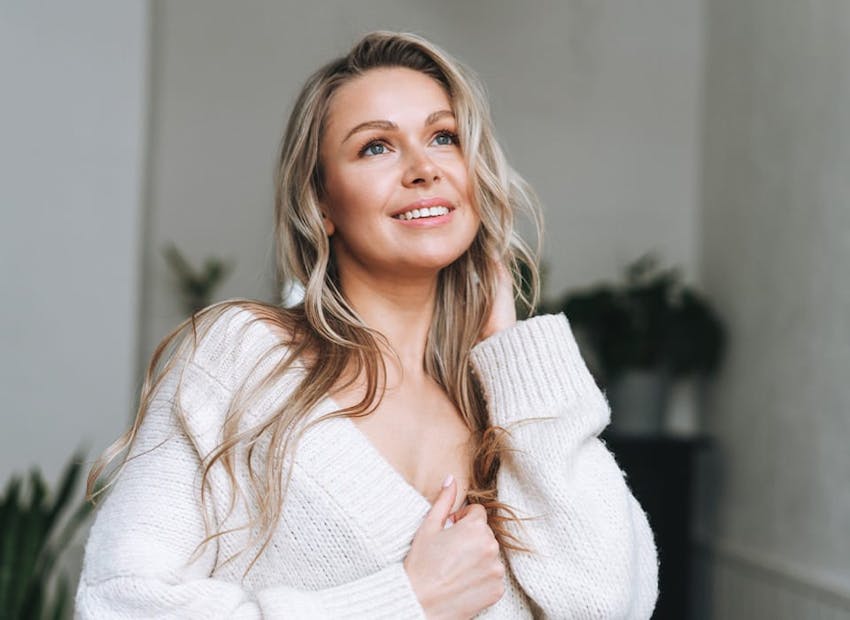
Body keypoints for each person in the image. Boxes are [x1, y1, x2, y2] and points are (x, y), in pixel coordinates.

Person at [76, 31, 658, 619]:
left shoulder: (502, 402)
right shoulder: (244, 360)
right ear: (321, 203)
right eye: (376, 147)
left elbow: (607, 604)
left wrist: (513, 352)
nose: (423, 168)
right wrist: (406, 603)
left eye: (444, 137)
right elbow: (119, 604)